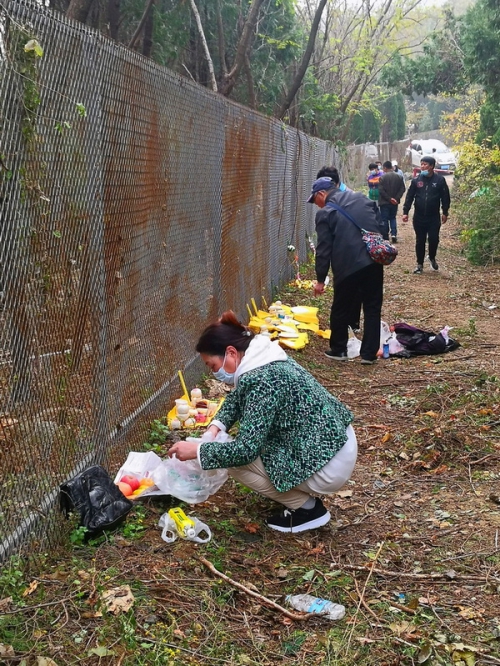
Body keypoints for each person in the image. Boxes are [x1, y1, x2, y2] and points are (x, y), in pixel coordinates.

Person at [168, 311, 357, 533]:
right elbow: (238, 397)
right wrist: (214, 428)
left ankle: (307, 510)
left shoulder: (261, 380)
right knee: (235, 446)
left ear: (230, 353)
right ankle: (296, 495)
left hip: (329, 463)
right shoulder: (263, 356)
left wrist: (198, 451)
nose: (214, 373)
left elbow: (245, 451)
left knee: (231, 459)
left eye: (212, 365)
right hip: (336, 441)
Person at [308, 176, 384, 365]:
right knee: (372, 307)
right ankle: (369, 354)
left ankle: (339, 349)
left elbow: (324, 249)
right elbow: (379, 219)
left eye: (314, 200)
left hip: (347, 265)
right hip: (373, 260)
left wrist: (320, 279)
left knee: (341, 307)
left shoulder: (325, 213)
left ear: (321, 194)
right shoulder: (361, 198)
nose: (315, 204)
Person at [402, 155, 451, 274]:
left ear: (432, 166)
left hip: (433, 217)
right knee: (420, 240)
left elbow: (445, 197)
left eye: (425, 164)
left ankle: (432, 257)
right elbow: (409, 197)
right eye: (421, 164)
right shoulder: (416, 180)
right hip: (419, 217)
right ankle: (419, 264)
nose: (422, 166)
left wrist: (445, 212)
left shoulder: (439, 180)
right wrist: (405, 212)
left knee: (434, 239)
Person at [379, 160, 406, 242]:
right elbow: (402, 189)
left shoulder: (382, 178)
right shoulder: (399, 177)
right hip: (395, 202)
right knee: (392, 218)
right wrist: (396, 198)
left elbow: (381, 190)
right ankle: (394, 234)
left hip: (384, 202)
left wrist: (389, 198)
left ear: (385, 168)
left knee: (384, 219)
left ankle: (385, 236)